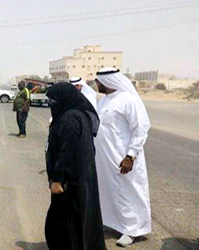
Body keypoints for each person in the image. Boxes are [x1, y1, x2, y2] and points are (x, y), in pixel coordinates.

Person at [44, 82, 106, 250]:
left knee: (66, 221)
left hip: (69, 182)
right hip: (79, 178)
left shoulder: (70, 118)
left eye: (53, 101)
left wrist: (58, 179)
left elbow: (67, 152)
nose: (51, 105)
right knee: (78, 219)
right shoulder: (78, 114)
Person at [94, 68, 151, 247]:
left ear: (109, 81)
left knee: (128, 193)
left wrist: (130, 156)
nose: (97, 84)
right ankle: (115, 223)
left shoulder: (129, 100)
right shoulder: (104, 101)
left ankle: (133, 230)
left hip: (123, 158)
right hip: (106, 158)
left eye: (99, 81)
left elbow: (141, 129)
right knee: (109, 191)